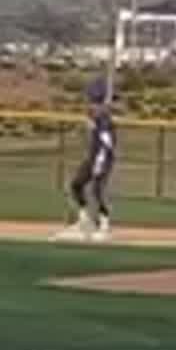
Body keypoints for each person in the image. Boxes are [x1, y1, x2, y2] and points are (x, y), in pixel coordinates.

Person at [56, 85, 117, 243]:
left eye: (93, 101)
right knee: (76, 185)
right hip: (93, 157)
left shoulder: (104, 118)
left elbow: (107, 144)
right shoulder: (94, 116)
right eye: (90, 101)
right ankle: (84, 223)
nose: (90, 104)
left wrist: (99, 162)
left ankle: (105, 227)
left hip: (103, 158)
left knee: (97, 190)